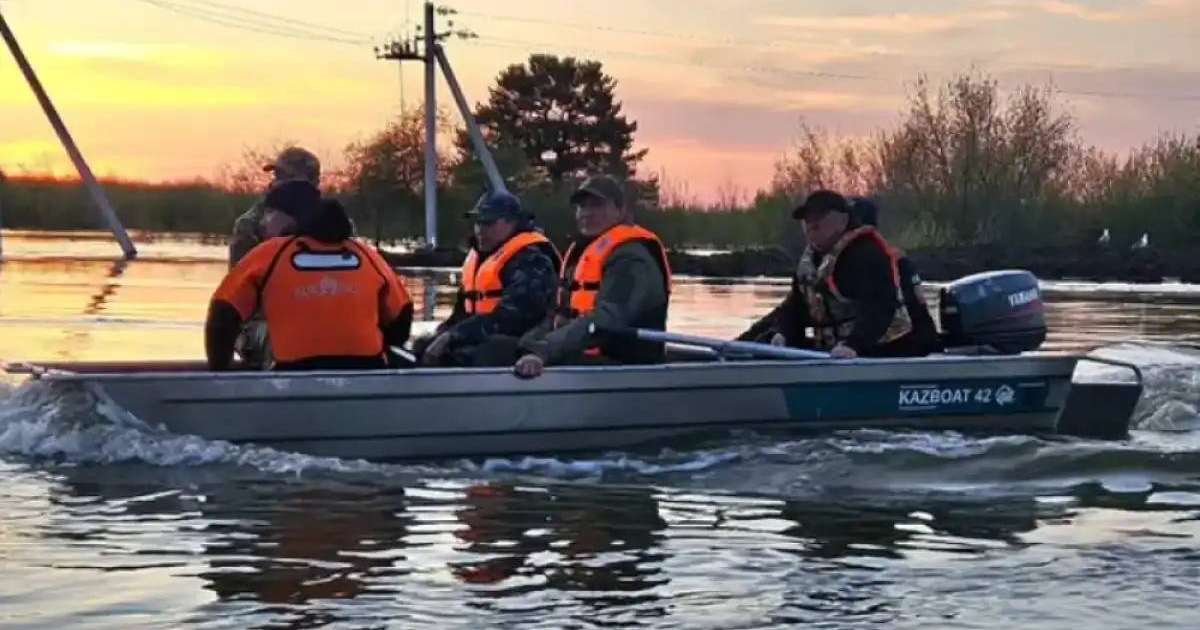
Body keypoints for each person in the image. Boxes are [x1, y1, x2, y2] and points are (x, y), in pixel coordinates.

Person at [206, 183, 413, 371]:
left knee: (243, 333)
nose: (263, 222)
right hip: (367, 369)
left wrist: (219, 371)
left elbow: (222, 313)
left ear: (291, 218)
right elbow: (402, 315)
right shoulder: (367, 254)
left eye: (270, 213)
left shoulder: (269, 253)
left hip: (292, 370)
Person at [738, 190, 937, 359]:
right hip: (835, 349)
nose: (811, 226)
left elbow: (879, 308)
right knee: (768, 338)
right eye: (808, 221)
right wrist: (783, 333)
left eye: (818, 219)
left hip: (886, 349)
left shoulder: (867, 254)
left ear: (843, 221)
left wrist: (853, 345)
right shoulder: (814, 259)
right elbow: (795, 306)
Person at [513, 175, 671, 379]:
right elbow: (561, 314)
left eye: (597, 205)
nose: (586, 213)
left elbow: (607, 319)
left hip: (624, 366)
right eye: (582, 207)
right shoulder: (583, 253)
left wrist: (544, 351)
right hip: (585, 356)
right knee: (500, 348)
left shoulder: (631, 257)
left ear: (620, 210)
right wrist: (529, 345)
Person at [420, 191, 561, 367]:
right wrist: (443, 333)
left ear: (512, 222)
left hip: (526, 343)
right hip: (479, 335)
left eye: (488, 223)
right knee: (423, 345)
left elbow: (514, 317)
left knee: (488, 351)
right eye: (477, 223)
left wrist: (454, 335)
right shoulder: (479, 257)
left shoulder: (532, 259)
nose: (480, 230)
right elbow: (461, 313)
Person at [229, 146, 322, 267]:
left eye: (285, 176)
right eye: (276, 175)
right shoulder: (250, 224)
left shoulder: (336, 223)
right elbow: (238, 277)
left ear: (314, 182)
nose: (274, 182)